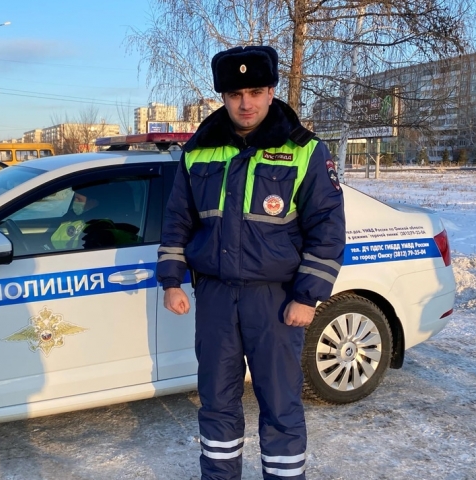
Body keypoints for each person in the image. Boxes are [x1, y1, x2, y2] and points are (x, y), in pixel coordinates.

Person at [156, 45, 345, 480]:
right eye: (236, 92)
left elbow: (328, 228)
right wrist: (171, 280)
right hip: (217, 296)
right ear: (221, 96)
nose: (246, 102)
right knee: (217, 401)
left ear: (271, 90)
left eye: (256, 91)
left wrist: (308, 296)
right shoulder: (198, 151)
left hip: (276, 301)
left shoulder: (305, 150)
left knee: (280, 402)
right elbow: (177, 220)